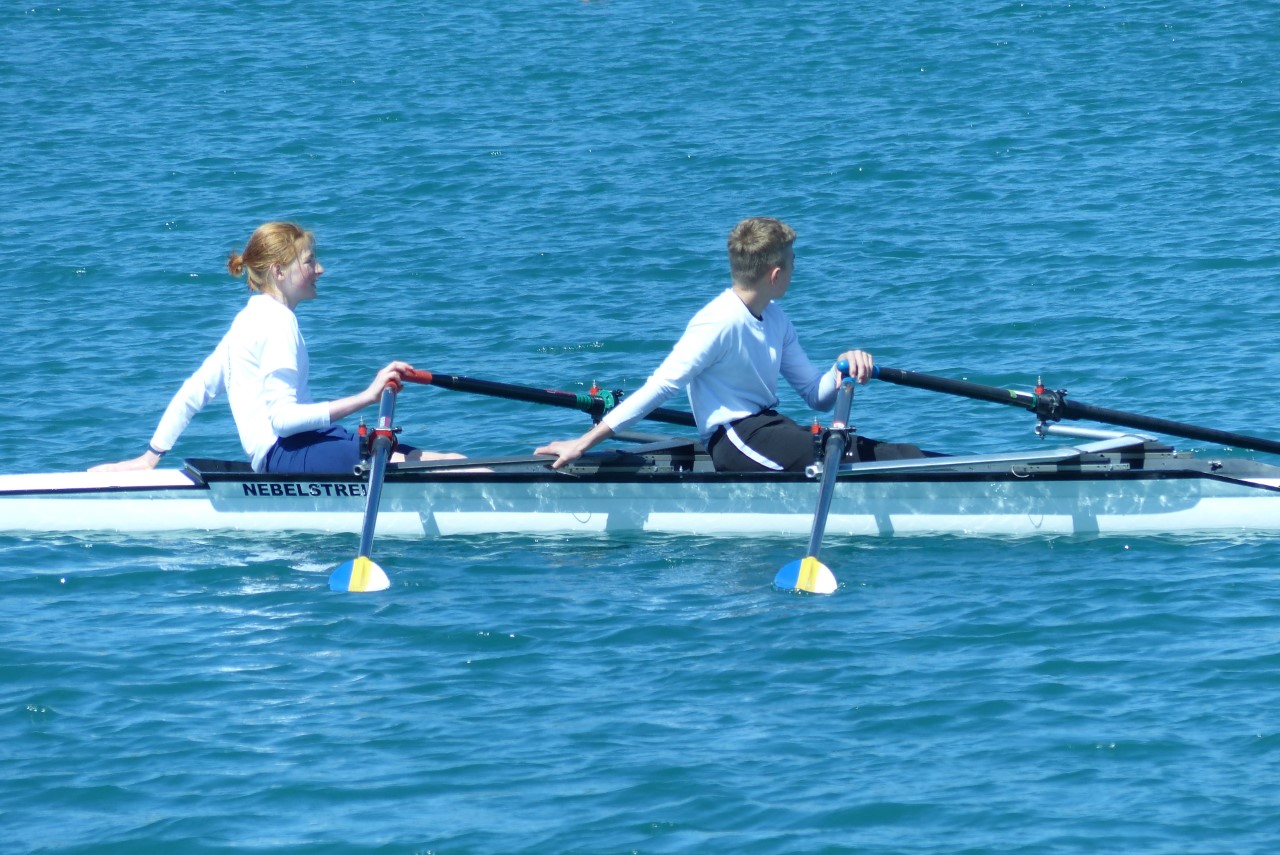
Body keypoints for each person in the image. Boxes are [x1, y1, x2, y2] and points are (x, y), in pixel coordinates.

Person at [535, 216, 923, 472]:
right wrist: (583, 443)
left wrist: (843, 367)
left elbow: (816, 396)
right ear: (775, 274)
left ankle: (926, 464)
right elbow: (661, 387)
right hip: (735, 440)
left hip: (770, 427)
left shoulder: (776, 318)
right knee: (849, 455)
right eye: (793, 261)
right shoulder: (717, 322)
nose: (796, 268)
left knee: (892, 453)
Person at [90, 221, 463, 474]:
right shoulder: (277, 323)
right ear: (279, 272)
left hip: (301, 446)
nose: (320, 270)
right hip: (287, 452)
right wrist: (368, 396)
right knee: (431, 465)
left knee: (435, 459)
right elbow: (283, 421)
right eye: (310, 261)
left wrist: (151, 456)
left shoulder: (247, 321)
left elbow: (193, 392)